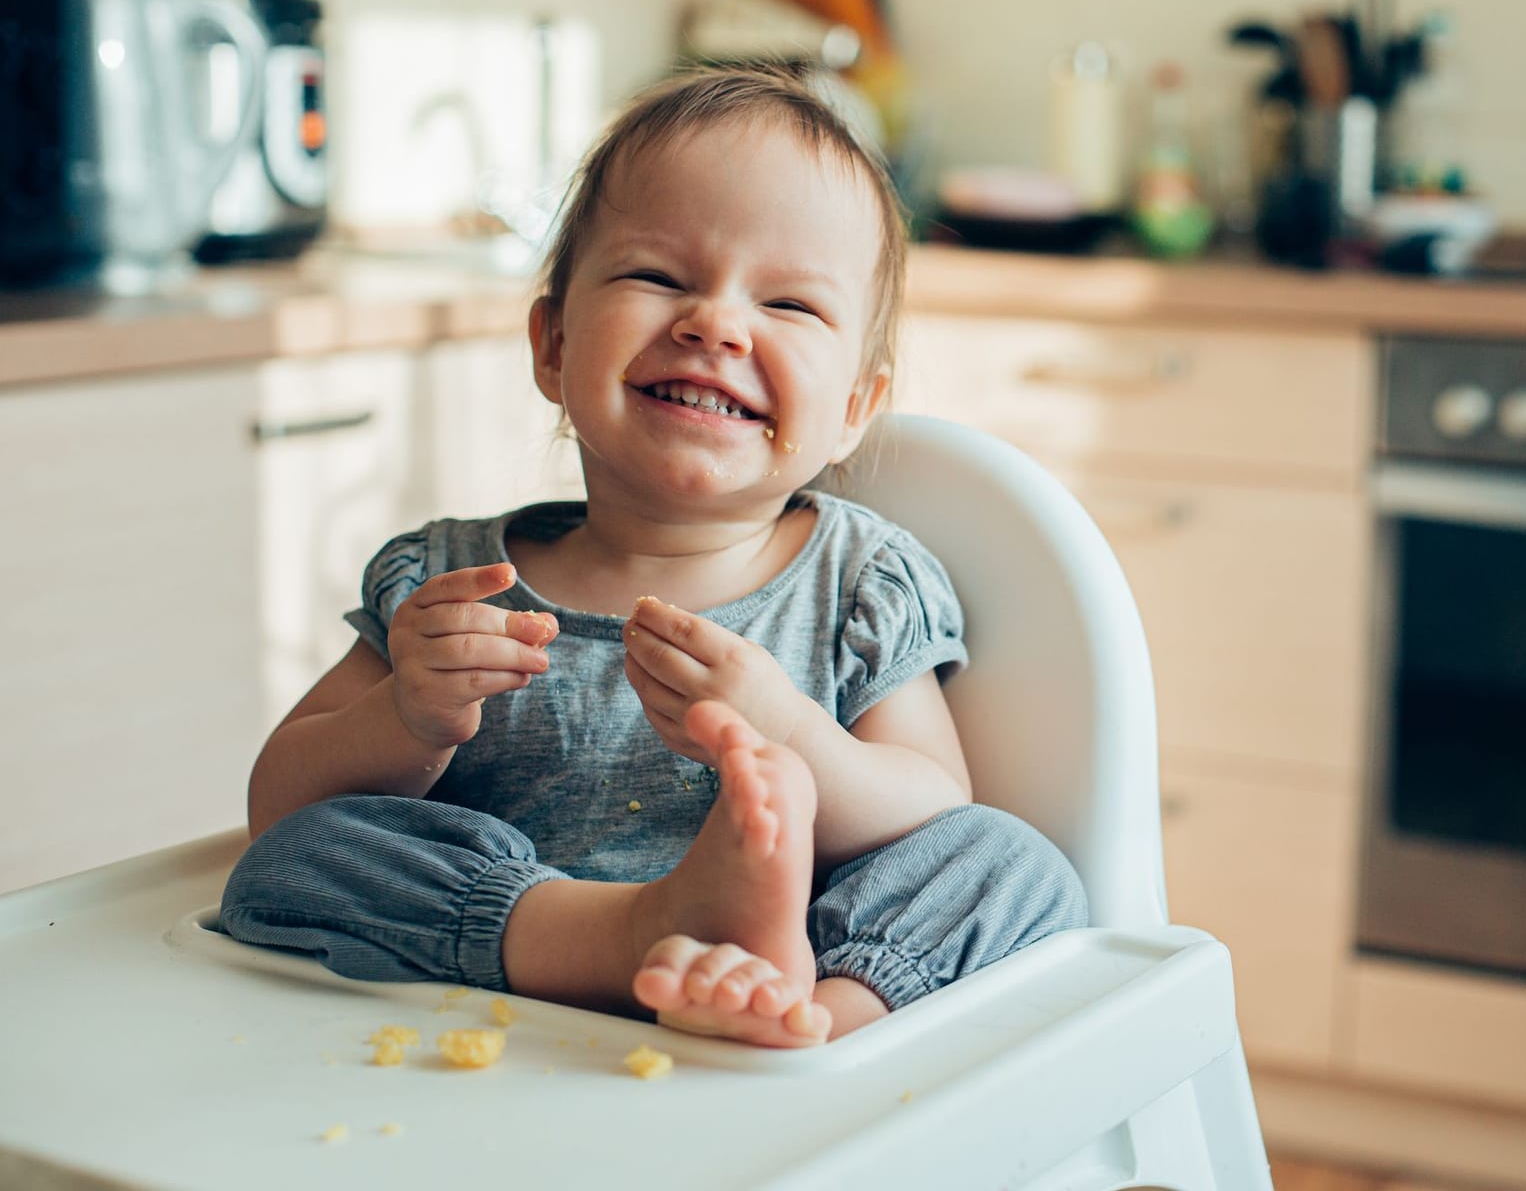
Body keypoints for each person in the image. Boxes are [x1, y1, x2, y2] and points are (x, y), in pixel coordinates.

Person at [219, 66, 1088, 1048]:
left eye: (790, 305)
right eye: (658, 277)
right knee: (300, 855)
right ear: (551, 343)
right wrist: (406, 713)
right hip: (517, 984)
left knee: (1008, 860)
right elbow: (278, 802)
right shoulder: (454, 582)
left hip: (783, 948)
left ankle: (810, 1018)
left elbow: (931, 798)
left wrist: (791, 732)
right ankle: (632, 936)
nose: (713, 322)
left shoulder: (858, 583)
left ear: (853, 406)